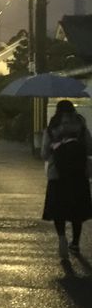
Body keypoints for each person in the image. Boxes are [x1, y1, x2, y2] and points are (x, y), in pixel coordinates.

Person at [41, 99, 92, 259]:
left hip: (57, 176)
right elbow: (90, 148)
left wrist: (56, 147)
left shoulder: (52, 128)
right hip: (79, 175)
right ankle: (75, 243)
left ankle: (62, 238)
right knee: (77, 210)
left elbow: (44, 154)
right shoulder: (80, 126)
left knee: (58, 209)